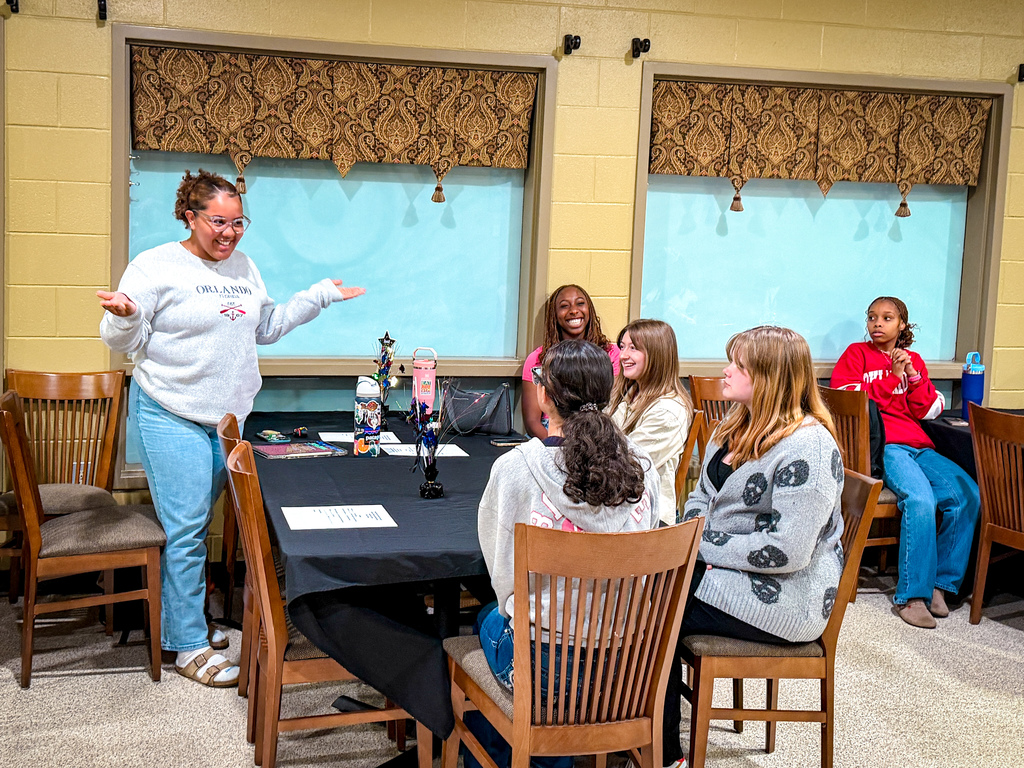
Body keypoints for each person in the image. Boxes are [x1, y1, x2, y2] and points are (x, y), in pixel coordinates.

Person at [97, 169, 365, 687]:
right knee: (187, 529)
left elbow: (264, 327)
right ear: (189, 217)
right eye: (217, 222)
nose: (229, 233)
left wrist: (319, 296)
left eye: (238, 222)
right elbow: (119, 335)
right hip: (171, 412)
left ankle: (186, 624)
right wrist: (127, 315)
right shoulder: (154, 266)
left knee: (211, 525)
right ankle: (189, 647)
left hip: (227, 421)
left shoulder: (244, 266)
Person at [471, 339, 660, 768]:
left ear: (545, 393)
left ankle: (528, 751)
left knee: (486, 617)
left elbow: (502, 574)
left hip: (545, 666)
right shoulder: (645, 469)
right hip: (624, 667)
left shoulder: (517, 468)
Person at [663, 326, 845, 768]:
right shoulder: (734, 425)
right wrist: (694, 540)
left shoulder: (809, 447)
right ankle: (631, 732)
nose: (725, 371)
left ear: (769, 377)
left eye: (738, 365)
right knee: (647, 594)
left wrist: (700, 547)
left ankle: (662, 753)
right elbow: (699, 498)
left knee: (654, 613)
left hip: (785, 596)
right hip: (724, 570)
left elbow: (788, 551)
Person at [831, 296, 980, 629]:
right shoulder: (857, 355)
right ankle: (912, 597)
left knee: (967, 494)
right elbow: (849, 401)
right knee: (921, 499)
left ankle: (941, 585)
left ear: (902, 325)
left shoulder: (913, 360)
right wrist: (889, 378)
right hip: (888, 447)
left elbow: (928, 411)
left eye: (887, 318)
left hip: (919, 445)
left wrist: (911, 375)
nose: (877, 323)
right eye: (872, 317)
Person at [608, 319, 693, 526]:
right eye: (622, 347)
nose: (624, 355)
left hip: (647, 519)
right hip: (617, 505)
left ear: (657, 355)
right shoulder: (628, 395)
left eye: (633, 348)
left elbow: (625, 463)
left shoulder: (669, 411)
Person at [521, 284, 620, 438]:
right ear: (554, 314)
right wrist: (559, 448)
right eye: (564, 306)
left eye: (580, 303)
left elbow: (612, 408)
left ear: (590, 311)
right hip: (550, 436)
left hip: (596, 433)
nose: (574, 310)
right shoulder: (538, 359)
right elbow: (532, 423)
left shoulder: (610, 354)